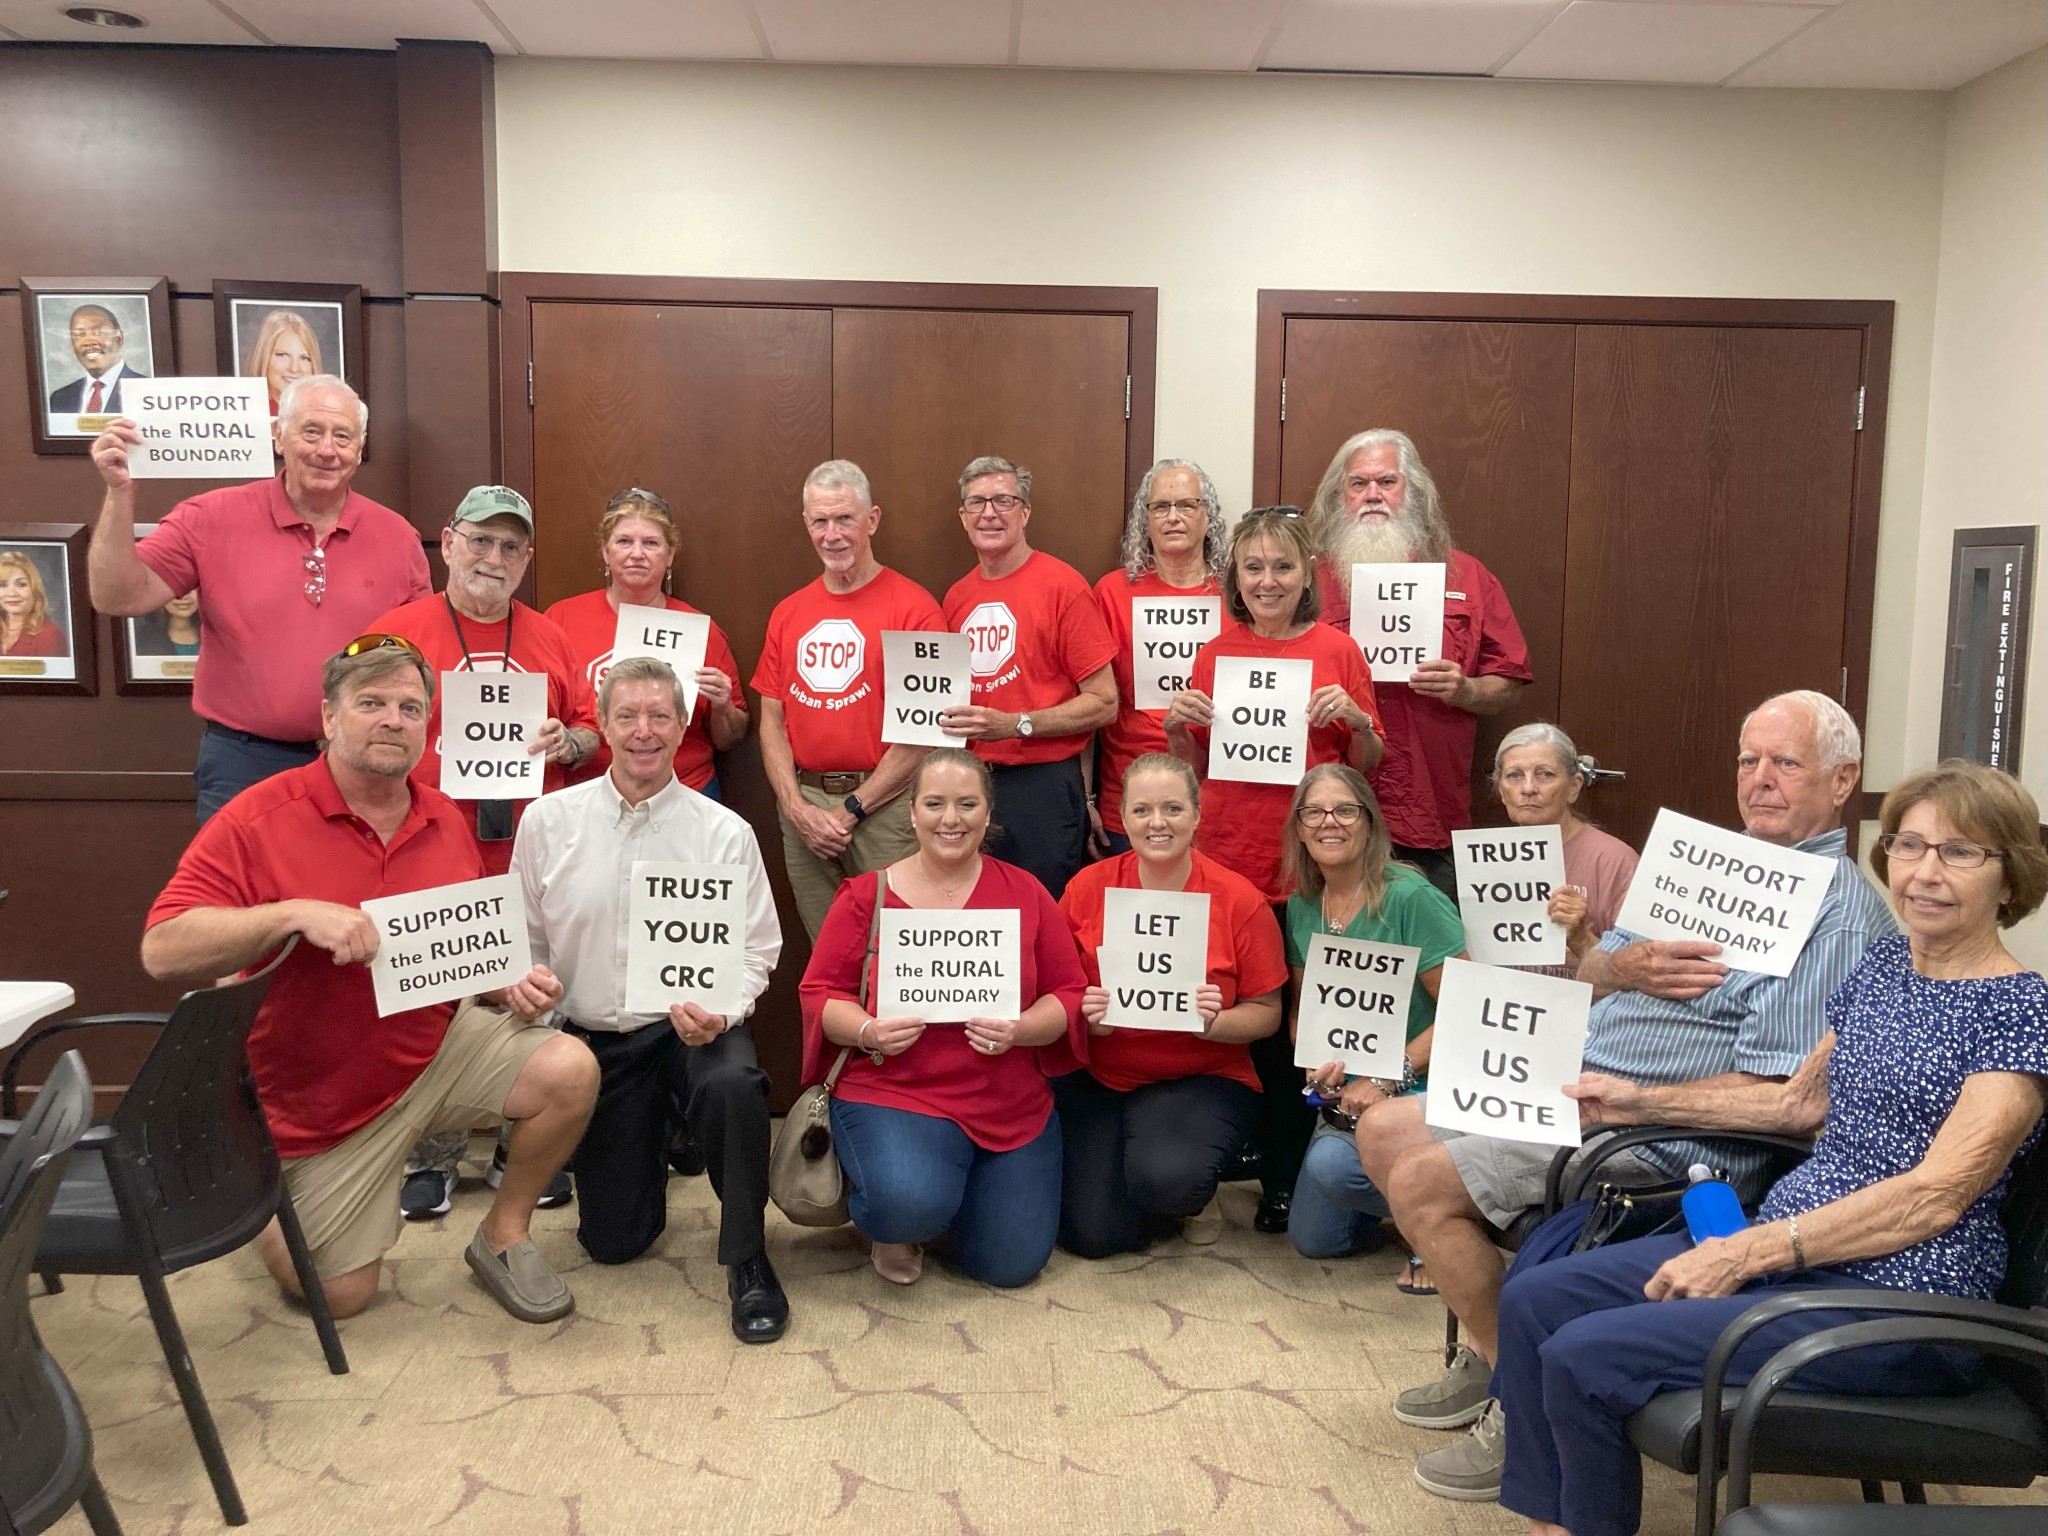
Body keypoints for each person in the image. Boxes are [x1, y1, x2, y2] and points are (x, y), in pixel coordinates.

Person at [1361, 689, 1897, 1504]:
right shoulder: (1714, 865)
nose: (1759, 780)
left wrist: (1632, 1098)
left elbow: (1780, 1092)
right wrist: (1626, 966)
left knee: (1419, 1180)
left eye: (1786, 763)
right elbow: (1588, 970)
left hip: (1659, 1134)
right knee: (1384, 1129)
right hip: (1578, 1075)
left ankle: (1523, 1400)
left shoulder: (1834, 913)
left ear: (1843, 778)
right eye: (1748, 760)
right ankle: (1498, 1350)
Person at [1495, 758, 2048, 1536]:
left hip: (1893, 1298)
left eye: (1960, 852)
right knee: (1534, 1298)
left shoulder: (2019, 1011)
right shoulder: (1886, 966)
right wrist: (1635, 1099)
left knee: (1585, 1356)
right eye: (1909, 845)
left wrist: (1750, 1253)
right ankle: (1554, 1523)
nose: (1924, 871)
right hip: (1787, 1251)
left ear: (2011, 873)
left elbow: (1935, 1197)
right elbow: (1798, 1103)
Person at [139, 635, 599, 1323]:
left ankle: (502, 1235)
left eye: (410, 707)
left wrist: (506, 982)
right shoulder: (257, 818)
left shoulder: (443, 816)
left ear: (426, 726)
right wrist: (288, 914)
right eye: (371, 703)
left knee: (568, 1068)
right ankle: (257, 1188)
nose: (393, 720)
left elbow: (460, 950)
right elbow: (162, 950)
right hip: (318, 1104)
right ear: (329, 718)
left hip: (432, 1054)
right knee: (343, 1299)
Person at [511, 657, 788, 1342]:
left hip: (693, 1029)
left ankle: (748, 1254)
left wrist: (724, 1010)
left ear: (682, 724)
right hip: (595, 1044)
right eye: (627, 715)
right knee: (613, 1242)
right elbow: (527, 941)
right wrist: (531, 990)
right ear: (601, 725)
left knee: (732, 1085)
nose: (643, 731)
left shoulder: (724, 832)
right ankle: (663, 1135)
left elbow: (757, 951)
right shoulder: (547, 822)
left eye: (659, 715)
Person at [371, 484, 597, 1221]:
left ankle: (517, 1147)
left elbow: (591, 728)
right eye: (480, 540)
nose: (493, 558)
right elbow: (356, 730)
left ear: (527, 557)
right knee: (434, 1003)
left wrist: (569, 741)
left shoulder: (551, 636)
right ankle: (429, 1155)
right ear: (447, 540)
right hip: (431, 850)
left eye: (510, 546)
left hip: (531, 849)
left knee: (536, 999)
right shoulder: (394, 634)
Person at [1165, 505, 1383, 1235]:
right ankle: (1247, 1150)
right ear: (1235, 577)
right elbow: (1195, 772)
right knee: (1246, 1019)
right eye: (1253, 567)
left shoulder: (1338, 651)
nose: (1267, 580)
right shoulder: (1213, 652)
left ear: (1307, 576)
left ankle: (1289, 1177)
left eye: (1282, 567)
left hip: (1311, 869)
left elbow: (1369, 768)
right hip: (1229, 860)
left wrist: (1354, 719)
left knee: (1305, 1026)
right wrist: (1175, 728)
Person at [797, 748, 1088, 1289]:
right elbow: (820, 995)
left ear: (987, 811)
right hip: (895, 1091)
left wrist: (1023, 1029)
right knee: (906, 1205)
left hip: (1008, 1100)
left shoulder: (1027, 893)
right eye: (934, 803)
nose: (950, 819)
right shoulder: (867, 896)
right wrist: (868, 1029)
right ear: (911, 813)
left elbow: (1068, 994)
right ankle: (898, 1222)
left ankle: (947, 1195)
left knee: (1010, 1267)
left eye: (966, 804)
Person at [86, 375, 431, 820]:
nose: (327, 449)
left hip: (360, 760)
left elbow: (420, 656)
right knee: (240, 892)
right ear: (278, 435)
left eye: (342, 436)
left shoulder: (398, 537)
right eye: (312, 431)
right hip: (242, 762)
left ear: (359, 448)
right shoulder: (209, 517)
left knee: (350, 891)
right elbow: (117, 597)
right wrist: (120, 493)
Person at [1054, 754, 1287, 1256]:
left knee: (1168, 1181)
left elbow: (1267, 1014)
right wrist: (1085, 1015)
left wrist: (1214, 1023)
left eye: (1173, 809)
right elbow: (1055, 989)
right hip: (1103, 1076)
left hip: (1204, 1075)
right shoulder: (1086, 888)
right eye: (1142, 811)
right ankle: (1136, 1174)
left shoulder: (1239, 899)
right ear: (1123, 817)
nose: (1157, 823)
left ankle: (1190, 1194)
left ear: (1198, 815)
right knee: (1092, 1236)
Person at [1310, 429, 1532, 897]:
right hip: (1329, 809)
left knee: (1430, 953)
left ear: (1413, 491)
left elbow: (1509, 681)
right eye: (1358, 484)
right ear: (1339, 496)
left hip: (1430, 809)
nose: (1373, 495)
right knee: (1334, 954)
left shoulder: (1467, 575)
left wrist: (1467, 690)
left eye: (1386, 481)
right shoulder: (1306, 579)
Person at [755, 460, 944, 941]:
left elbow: (926, 732)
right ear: (806, 524)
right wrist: (797, 808)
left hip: (886, 806)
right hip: (804, 806)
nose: (832, 534)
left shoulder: (916, 608)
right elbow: (771, 721)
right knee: (829, 950)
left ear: (872, 520)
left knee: (896, 947)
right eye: (820, 521)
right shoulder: (788, 612)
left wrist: (852, 810)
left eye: (845, 519)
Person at [1284, 766, 1467, 1262]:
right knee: (1315, 1240)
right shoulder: (1304, 905)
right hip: (1348, 1092)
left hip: (1422, 1084)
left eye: (1345, 810)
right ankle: (1422, 1202)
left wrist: (1387, 1078)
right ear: (1299, 828)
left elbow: (1467, 1010)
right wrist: (1314, 1065)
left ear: (1369, 822)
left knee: (1331, 1169)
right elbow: (1305, 1009)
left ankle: (1444, 1227)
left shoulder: (1410, 896)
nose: (1330, 823)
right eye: (1314, 812)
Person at [940, 455, 1117, 899]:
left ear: (1025, 512)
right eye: (976, 503)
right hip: (969, 784)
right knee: (977, 914)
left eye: (1003, 499)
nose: (989, 513)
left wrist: (1014, 723)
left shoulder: (1064, 587)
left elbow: (1103, 701)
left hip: (1042, 787)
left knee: (1040, 918)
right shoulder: (956, 597)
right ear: (963, 518)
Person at [543, 486, 747, 798]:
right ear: (605, 552)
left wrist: (722, 707)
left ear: (670, 555)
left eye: (650, 543)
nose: (636, 553)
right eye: (624, 541)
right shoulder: (560, 619)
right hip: (588, 796)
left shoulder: (702, 630)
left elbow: (730, 739)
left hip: (685, 793)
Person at [1091, 460, 1227, 856]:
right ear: (1144, 520)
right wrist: (1086, 798)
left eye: (1186, 505)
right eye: (1160, 507)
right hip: (1131, 791)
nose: (1173, 517)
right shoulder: (1111, 593)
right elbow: (1089, 695)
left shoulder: (1239, 595)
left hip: (1215, 789)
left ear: (1208, 517)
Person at [1490, 722, 1639, 979]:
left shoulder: (1614, 860)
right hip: (1503, 1008)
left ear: (1574, 787)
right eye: (1514, 775)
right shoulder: (1486, 858)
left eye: (1545, 774)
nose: (1528, 788)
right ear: (1501, 791)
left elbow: (1638, 975)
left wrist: (1580, 938)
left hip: (1588, 1010)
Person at [48, 303, 146, 416]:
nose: (88, 341)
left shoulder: (146, 392)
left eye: (98, 333)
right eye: (80, 335)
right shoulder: (60, 399)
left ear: (119, 339)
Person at [240, 309, 322, 415]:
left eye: (304, 358)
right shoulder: (247, 415)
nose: (294, 368)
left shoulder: (325, 415)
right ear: (262, 358)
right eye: (282, 355)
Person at [0, 551, 68, 658]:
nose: (12, 593)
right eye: (2, 585)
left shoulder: (50, 635)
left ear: (34, 589)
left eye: (21, 585)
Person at [133, 590, 203, 657]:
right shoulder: (138, 639)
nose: (182, 596)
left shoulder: (212, 636)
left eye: (190, 587)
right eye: (173, 588)